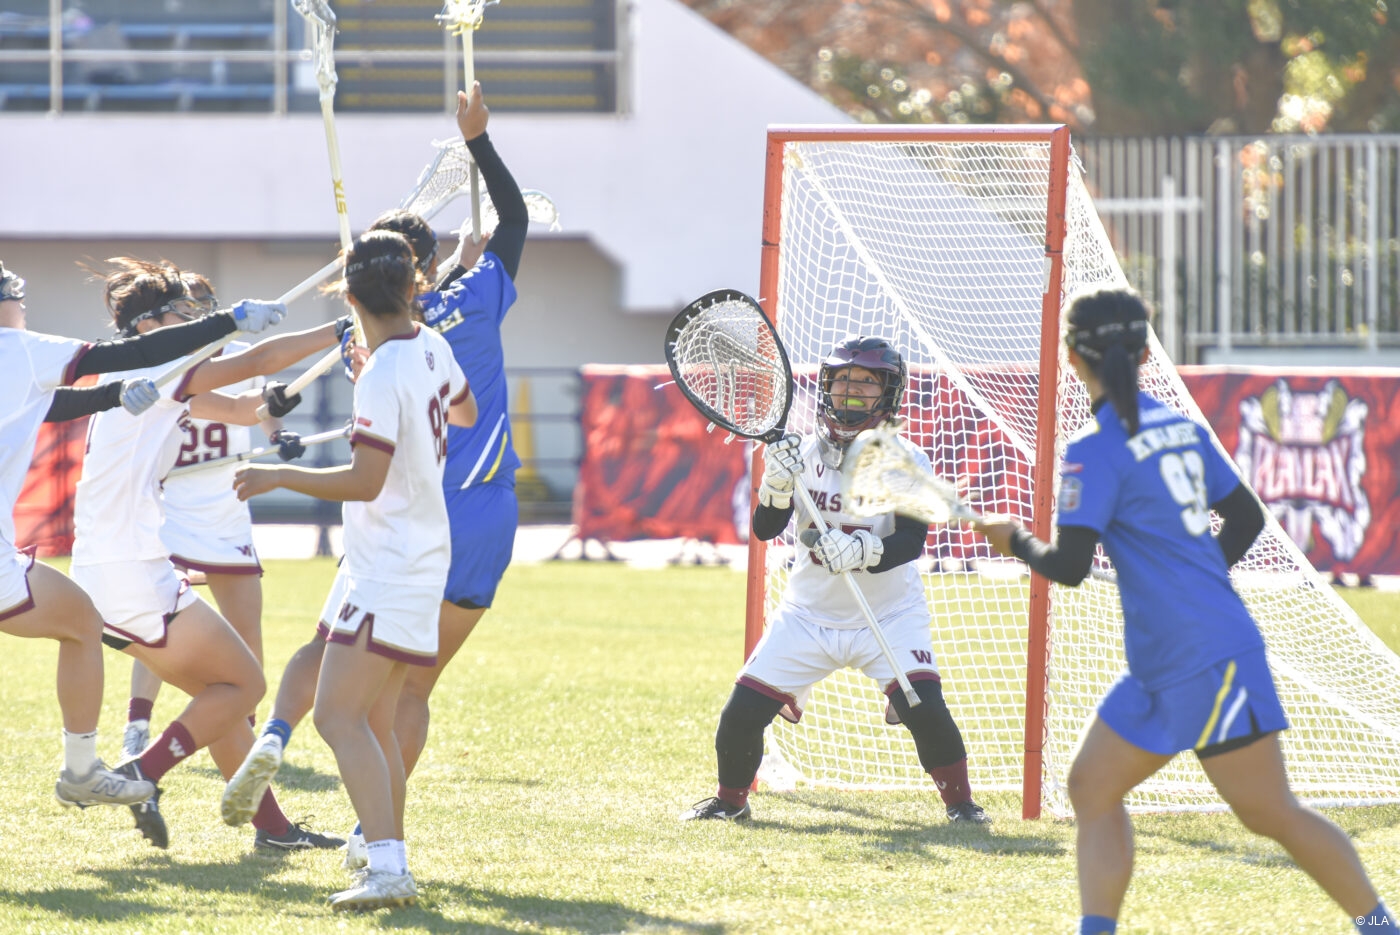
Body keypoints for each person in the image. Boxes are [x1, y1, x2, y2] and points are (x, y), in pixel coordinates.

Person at [969, 288, 1396, 935]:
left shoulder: (1093, 447)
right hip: (1169, 658)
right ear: (1145, 353)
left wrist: (1014, 540)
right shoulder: (1181, 427)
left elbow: (1070, 566)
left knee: (1269, 811)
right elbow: (1246, 519)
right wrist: (1194, 581)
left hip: (1201, 658)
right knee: (1091, 786)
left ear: (1070, 357)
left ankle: (1381, 927)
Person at [222, 80, 529, 867]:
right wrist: (478, 139)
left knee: (339, 671)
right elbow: (514, 226)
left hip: (398, 527)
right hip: (479, 516)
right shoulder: (457, 318)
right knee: (406, 693)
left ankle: (290, 745)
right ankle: (374, 837)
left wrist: (273, 454)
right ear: (422, 271)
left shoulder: (380, 348)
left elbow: (356, 461)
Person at [227, 229, 475, 910]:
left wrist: (279, 475)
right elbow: (465, 409)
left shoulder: (384, 373)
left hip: (389, 562)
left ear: (349, 296)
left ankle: (389, 867)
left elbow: (366, 480)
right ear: (414, 286)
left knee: (338, 717)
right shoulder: (431, 346)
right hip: (417, 554)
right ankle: (384, 857)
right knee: (375, 718)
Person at [68, 257, 343, 852]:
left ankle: (272, 830)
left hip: (112, 566)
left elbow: (243, 407)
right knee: (244, 685)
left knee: (222, 692)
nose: (194, 323)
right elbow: (257, 360)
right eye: (182, 314)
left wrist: (274, 401)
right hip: (129, 568)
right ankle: (139, 773)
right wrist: (346, 326)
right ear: (148, 325)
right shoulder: (159, 364)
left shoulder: (148, 371)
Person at [0, 259, 278, 813]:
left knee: (217, 680)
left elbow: (60, 402)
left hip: (124, 555)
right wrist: (237, 320)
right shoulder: (19, 349)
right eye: (14, 293)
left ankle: (269, 824)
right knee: (230, 680)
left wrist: (116, 394)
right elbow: (129, 355)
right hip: (129, 559)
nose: (23, 304)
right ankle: (99, 771)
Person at [680, 336, 990, 825]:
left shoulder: (906, 460)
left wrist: (864, 551)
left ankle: (963, 807)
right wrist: (775, 488)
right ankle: (730, 804)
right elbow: (765, 529)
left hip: (888, 615)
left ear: (889, 393)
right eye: (842, 380)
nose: (850, 391)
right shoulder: (800, 452)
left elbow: (911, 541)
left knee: (925, 709)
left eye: (865, 382)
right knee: (740, 715)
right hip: (807, 615)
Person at [120, 271, 303, 761]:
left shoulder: (238, 360)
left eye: (203, 305)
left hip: (227, 505)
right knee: (160, 623)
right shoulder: (171, 364)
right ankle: (137, 725)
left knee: (246, 630)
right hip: (174, 508)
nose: (199, 314)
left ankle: (243, 732)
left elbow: (256, 408)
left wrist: (278, 432)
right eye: (189, 307)